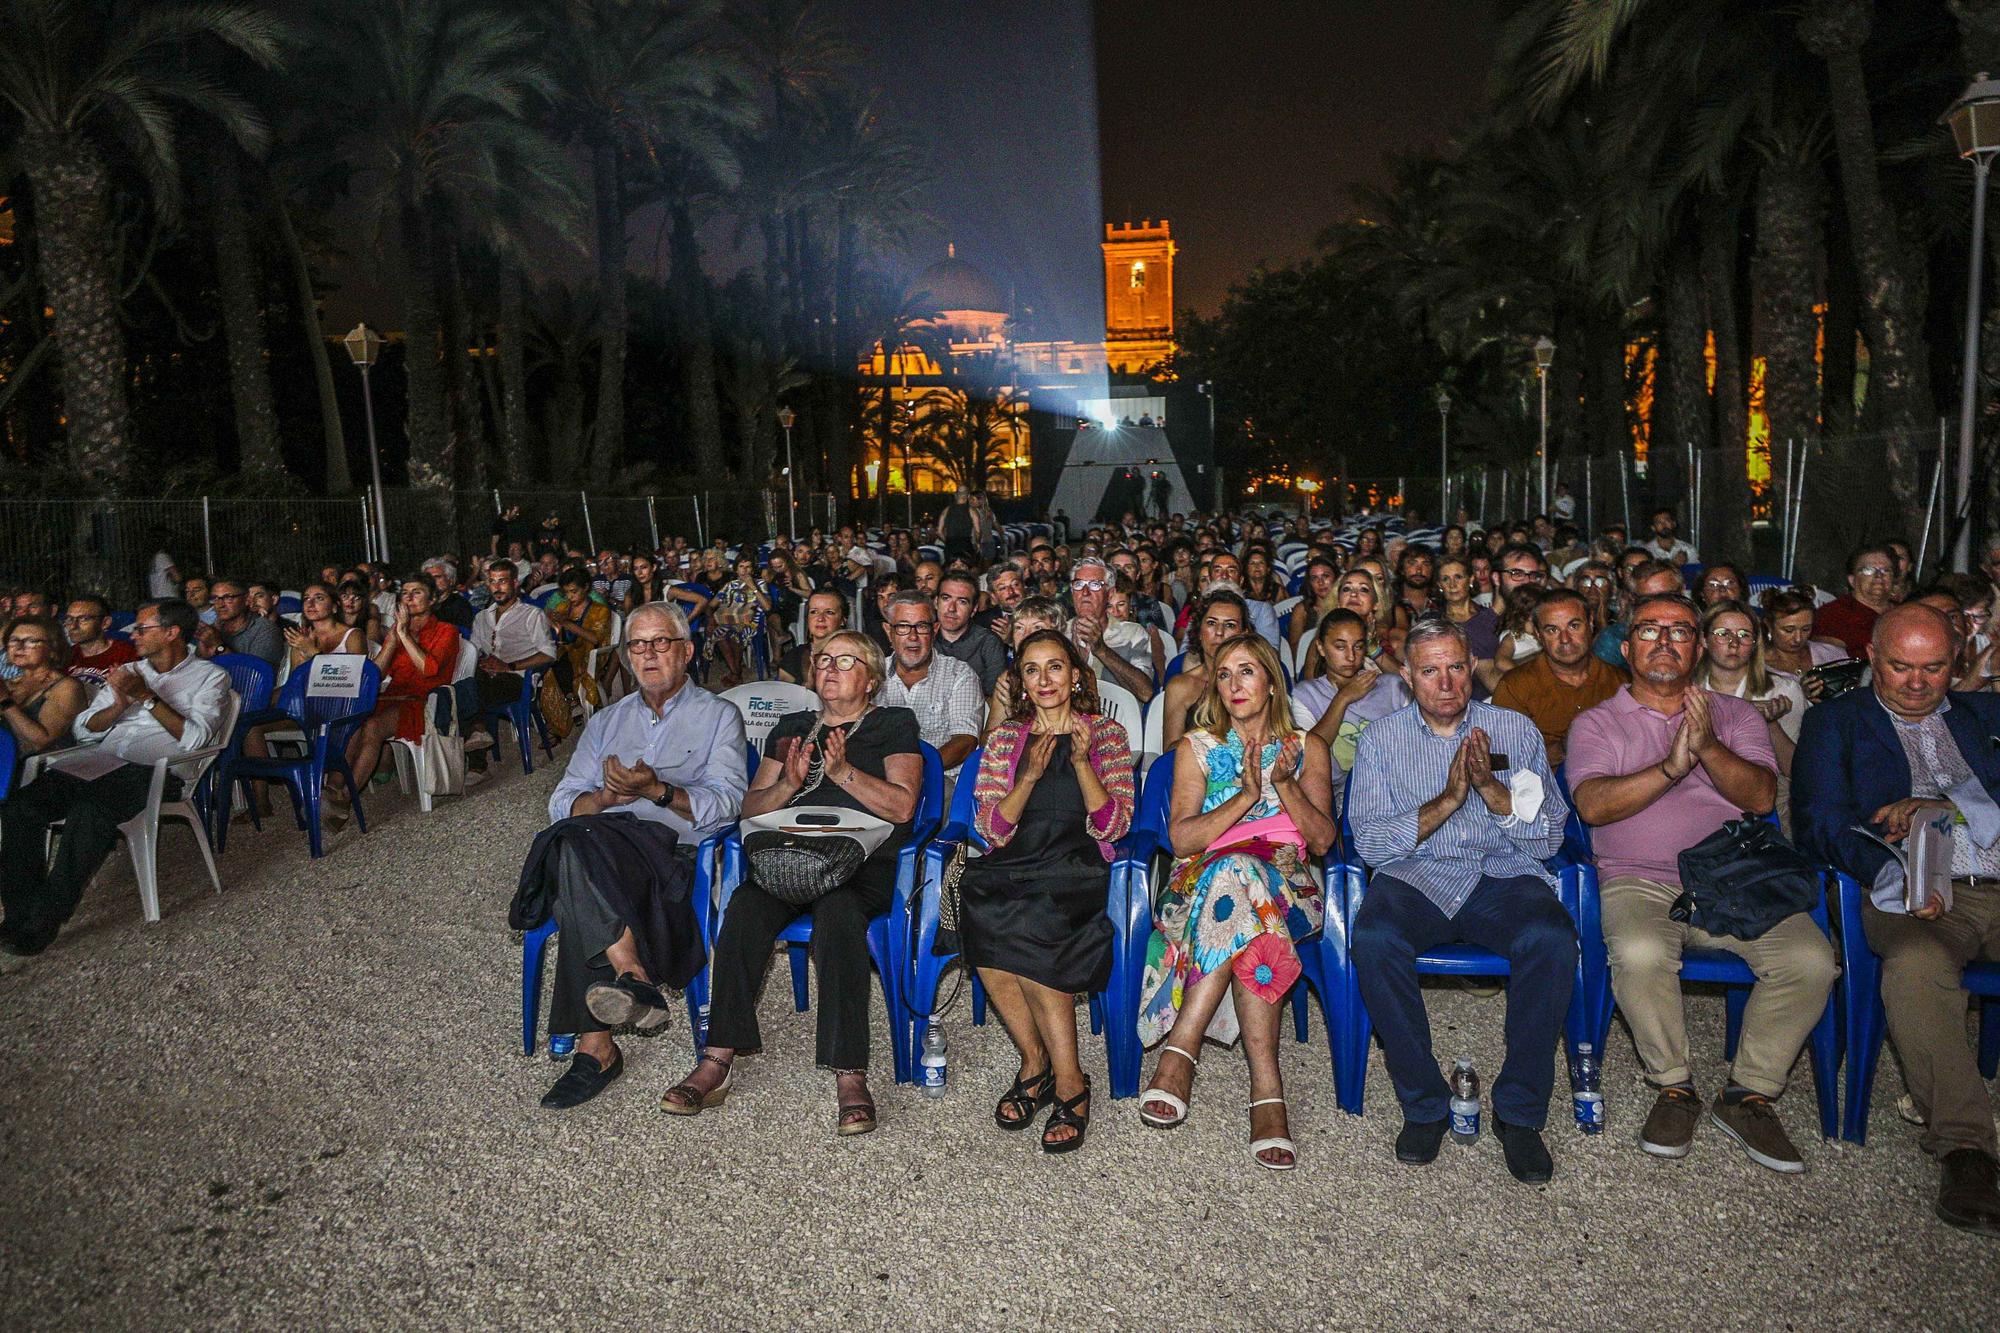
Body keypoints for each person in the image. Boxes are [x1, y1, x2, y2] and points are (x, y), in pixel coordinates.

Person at [1567, 593, 1834, 1173]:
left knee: (1812, 960)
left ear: (1700, 644)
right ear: (1627, 643)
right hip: (1640, 880)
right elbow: (1592, 805)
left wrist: (1707, 744)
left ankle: (1749, 1092)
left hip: (1735, 877)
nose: (1664, 642)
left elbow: (1762, 796)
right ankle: (1674, 1085)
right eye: (1649, 630)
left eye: (1680, 631)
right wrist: (1670, 767)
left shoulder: (1734, 715)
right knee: (1638, 951)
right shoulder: (1598, 721)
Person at [1793, 604, 2000, 1234]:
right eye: (1900, 667)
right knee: (1916, 964)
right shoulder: (1835, 723)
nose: (1916, 682)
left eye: (1933, 668)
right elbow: (1821, 826)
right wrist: (1897, 873)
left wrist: (1948, 805)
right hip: (1913, 891)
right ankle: (1966, 1147)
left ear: (1956, 662)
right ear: (1873, 659)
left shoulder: (1988, 717)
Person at [665, 631, 921, 1136]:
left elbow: (903, 806)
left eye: (845, 661)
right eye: (823, 659)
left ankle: (850, 1074)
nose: (829, 668)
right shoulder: (791, 727)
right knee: (743, 908)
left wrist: (843, 772)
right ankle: (717, 1058)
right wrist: (787, 783)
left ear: (870, 679)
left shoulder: (893, 724)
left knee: (840, 915)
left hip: (862, 863)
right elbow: (749, 808)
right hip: (789, 857)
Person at [1347, 619, 1574, 1182]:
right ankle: (1424, 1104)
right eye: (1429, 670)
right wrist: (1450, 799)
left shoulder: (1513, 730)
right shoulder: (1381, 740)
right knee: (1373, 940)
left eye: (1455, 666)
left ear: (1471, 667)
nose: (1445, 682)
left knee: (1551, 937)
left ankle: (1520, 1114)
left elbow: (1550, 837)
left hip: (1500, 874)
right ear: (1407, 677)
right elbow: (1372, 843)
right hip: (1415, 876)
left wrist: (1494, 795)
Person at [533, 601, 750, 1109]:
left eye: (661, 643)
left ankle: (597, 1049)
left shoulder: (719, 716)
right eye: (637, 644)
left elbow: (725, 807)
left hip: (673, 856)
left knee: (571, 860)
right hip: (604, 848)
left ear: (688, 651)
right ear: (627, 655)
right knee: (574, 841)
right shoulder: (607, 722)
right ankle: (632, 975)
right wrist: (607, 799)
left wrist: (657, 792)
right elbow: (562, 802)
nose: (649, 654)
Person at [1137, 634, 1336, 1170]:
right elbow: (1181, 841)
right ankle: (1266, 1088)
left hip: (1289, 887)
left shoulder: (1307, 748)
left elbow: (1320, 841)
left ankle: (1181, 1051)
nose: (1234, 685)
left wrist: (1283, 785)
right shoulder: (1197, 748)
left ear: (1271, 680)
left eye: (1246, 671)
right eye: (1224, 675)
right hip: (1199, 885)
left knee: (1245, 880)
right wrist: (1247, 798)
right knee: (1235, 873)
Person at [963, 631, 1136, 1153]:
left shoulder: (1106, 735)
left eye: (1055, 667)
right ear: (1020, 680)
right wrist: (1031, 774)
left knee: (1036, 921)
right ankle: (1035, 1062)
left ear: (1076, 675)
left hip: (1076, 866)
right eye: (1032, 670)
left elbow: (1114, 824)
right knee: (980, 908)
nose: (1044, 680)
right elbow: (991, 828)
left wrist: (1081, 763)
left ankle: (1070, 1081)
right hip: (1015, 860)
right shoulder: (1004, 739)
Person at [1, 600, 230, 964]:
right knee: (20, 808)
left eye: (142, 629)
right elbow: (83, 727)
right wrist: (116, 707)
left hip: (156, 770)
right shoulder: (127, 669)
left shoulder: (209, 677)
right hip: (100, 760)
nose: (132, 634)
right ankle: (18, 914)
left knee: (89, 812)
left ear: (171, 633)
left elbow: (197, 739)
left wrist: (146, 697)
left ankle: (45, 917)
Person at [323, 577, 465, 828]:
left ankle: (347, 797)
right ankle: (333, 789)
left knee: (373, 727)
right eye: (405, 593)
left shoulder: (446, 631)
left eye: (417, 592)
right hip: (394, 696)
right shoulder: (397, 631)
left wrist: (403, 635)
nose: (408, 598)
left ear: (432, 600)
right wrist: (393, 639)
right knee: (353, 719)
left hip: (425, 700)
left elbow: (429, 670)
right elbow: (376, 673)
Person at [1694, 599, 1805, 827]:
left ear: (1755, 644)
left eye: (1744, 635)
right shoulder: (1688, 689)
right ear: (1704, 639)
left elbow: (1796, 771)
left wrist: (1770, 723)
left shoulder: (1783, 690)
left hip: (1763, 803)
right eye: (1723, 633)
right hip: (1699, 796)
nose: (1734, 643)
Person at [1491, 589, 1627, 768]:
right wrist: (1563, 748)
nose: (1565, 639)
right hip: (1543, 790)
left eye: (1574, 626)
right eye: (1552, 630)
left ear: (1591, 623)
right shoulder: (1515, 686)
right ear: (1539, 635)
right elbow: (1498, 762)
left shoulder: (1620, 682)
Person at [1293, 608, 1410, 790]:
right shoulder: (1307, 694)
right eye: (1340, 647)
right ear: (1321, 648)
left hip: (1398, 784)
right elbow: (1309, 756)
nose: (1351, 656)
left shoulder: (1392, 687)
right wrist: (1343, 698)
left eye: (1358, 646)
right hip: (1340, 794)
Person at [876, 591, 982, 775]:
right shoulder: (872, 674)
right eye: (903, 627)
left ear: (934, 630)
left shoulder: (959, 674)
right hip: (879, 779)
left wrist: (914, 772)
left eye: (922, 627)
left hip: (938, 778)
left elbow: (965, 741)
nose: (913, 636)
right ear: (888, 631)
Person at [469, 559, 557, 753]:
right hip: (487, 678)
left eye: (503, 581)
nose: (497, 587)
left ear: (515, 583)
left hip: (519, 680)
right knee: (460, 686)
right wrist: (482, 664)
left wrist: (509, 666)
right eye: (492, 582)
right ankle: (474, 746)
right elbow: (473, 651)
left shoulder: (531, 614)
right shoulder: (482, 618)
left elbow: (549, 654)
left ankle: (478, 734)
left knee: (468, 688)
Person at [1160, 590, 1249, 751]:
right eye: (1211, 623)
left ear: (1243, 633)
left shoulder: (1256, 682)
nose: (1219, 632)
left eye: (1230, 625)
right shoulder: (1181, 686)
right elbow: (1170, 750)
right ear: (1199, 631)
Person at [1, 616, 88, 766]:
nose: (19, 647)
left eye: (31, 641)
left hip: (34, 771)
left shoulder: (67, 687)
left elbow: (40, 743)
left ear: (52, 649)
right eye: (14, 640)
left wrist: (5, 701)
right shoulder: (8, 683)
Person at [1067, 557, 1155, 704]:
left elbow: (1146, 693)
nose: (1085, 592)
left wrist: (1101, 649)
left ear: (1110, 593)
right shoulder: (1059, 633)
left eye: (1095, 585)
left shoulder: (1133, 634)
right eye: (1079, 584)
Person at [1594, 560, 1685, 668]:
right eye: (1647, 600)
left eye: (1667, 597)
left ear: (1682, 592)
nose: (1659, 605)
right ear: (1633, 599)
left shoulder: (1700, 633)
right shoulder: (1614, 638)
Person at [1813, 544, 1898, 658]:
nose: (1879, 576)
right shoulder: (1832, 615)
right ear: (1852, 580)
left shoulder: (1904, 613)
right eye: (1868, 570)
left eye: (1886, 570)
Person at [934, 571, 1007, 694]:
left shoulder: (988, 642)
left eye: (962, 601)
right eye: (946, 598)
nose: (952, 608)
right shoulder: (923, 638)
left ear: (973, 610)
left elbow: (995, 696)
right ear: (936, 602)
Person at [198, 577, 284, 668]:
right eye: (215, 598)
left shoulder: (265, 631)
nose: (220, 605)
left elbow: (254, 676)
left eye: (228, 598)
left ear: (247, 600)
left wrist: (219, 646)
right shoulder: (212, 630)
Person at [283, 582, 367, 670]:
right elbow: (295, 681)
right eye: (306, 599)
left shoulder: (353, 635)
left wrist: (312, 652)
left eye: (319, 598)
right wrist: (304, 658)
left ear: (334, 607)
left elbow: (353, 674)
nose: (310, 603)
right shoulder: (303, 638)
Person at [61, 595, 138, 687]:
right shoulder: (65, 657)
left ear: (105, 622)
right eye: (69, 619)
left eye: (84, 619)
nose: (73, 626)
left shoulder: (126, 654)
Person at [939, 486, 979, 566]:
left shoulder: (947, 510)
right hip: (966, 545)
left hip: (950, 545)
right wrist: (977, 543)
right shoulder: (972, 510)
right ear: (968, 496)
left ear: (956, 495)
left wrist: (947, 542)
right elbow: (978, 531)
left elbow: (939, 531)